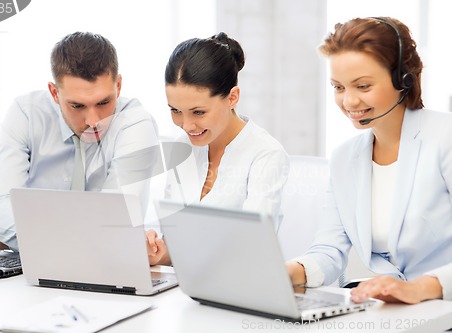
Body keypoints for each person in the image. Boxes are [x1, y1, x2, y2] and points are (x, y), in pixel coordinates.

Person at [287, 17, 452, 304]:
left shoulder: (444, 138)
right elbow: (329, 250)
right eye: (338, 87)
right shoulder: (344, 158)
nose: (349, 102)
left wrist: (421, 288)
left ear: (403, 79)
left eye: (362, 86)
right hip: (390, 309)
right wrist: (287, 272)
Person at [0, 32, 159, 252]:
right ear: (54, 93)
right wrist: (89, 235)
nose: (94, 121)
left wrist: (21, 234)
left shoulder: (135, 123)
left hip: (105, 269)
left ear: (119, 86)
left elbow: (116, 221)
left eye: (104, 102)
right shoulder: (26, 114)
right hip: (32, 272)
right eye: (77, 106)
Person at [147, 32, 289, 266]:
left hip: (240, 288)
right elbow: (176, 245)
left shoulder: (265, 154)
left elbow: (251, 248)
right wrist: (159, 251)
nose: (186, 125)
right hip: (189, 288)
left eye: (198, 112)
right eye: (175, 111)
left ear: (232, 97)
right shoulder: (182, 147)